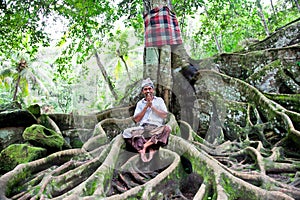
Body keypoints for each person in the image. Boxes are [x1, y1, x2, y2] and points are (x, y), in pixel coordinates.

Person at [122, 78, 171, 162]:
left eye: (149, 89)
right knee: (126, 133)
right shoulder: (140, 103)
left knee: (167, 129)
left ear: (153, 90)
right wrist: (146, 107)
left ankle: (145, 146)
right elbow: (136, 119)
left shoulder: (159, 101)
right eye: (145, 89)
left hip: (156, 128)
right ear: (142, 92)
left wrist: (152, 106)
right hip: (143, 129)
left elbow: (164, 115)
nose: (148, 91)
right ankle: (145, 148)